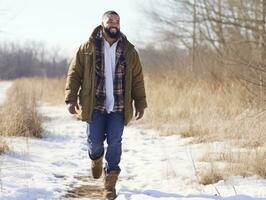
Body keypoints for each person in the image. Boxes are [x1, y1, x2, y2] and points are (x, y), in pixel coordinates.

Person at [65, 10, 147, 200]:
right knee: (94, 143)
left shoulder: (129, 50)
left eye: (117, 21)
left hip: (118, 107)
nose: (114, 24)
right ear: (102, 24)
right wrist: (71, 98)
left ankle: (109, 186)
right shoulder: (87, 48)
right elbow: (74, 73)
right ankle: (96, 159)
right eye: (110, 20)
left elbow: (137, 79)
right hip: (95, 105)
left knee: (115, 142)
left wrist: (140, 103)